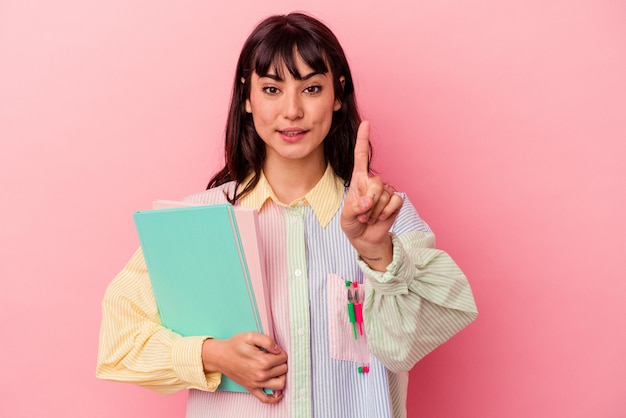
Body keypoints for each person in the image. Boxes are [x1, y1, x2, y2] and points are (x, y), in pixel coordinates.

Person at [97, 12, 478, 418]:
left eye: (311, 88)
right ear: (247, 97)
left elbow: (413, 340)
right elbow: (119, 343)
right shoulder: (197, 223)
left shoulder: (389, 218)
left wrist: (379, 255)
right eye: (272, 89)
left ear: (337, 94)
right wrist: (212, 355)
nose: (292, 110)